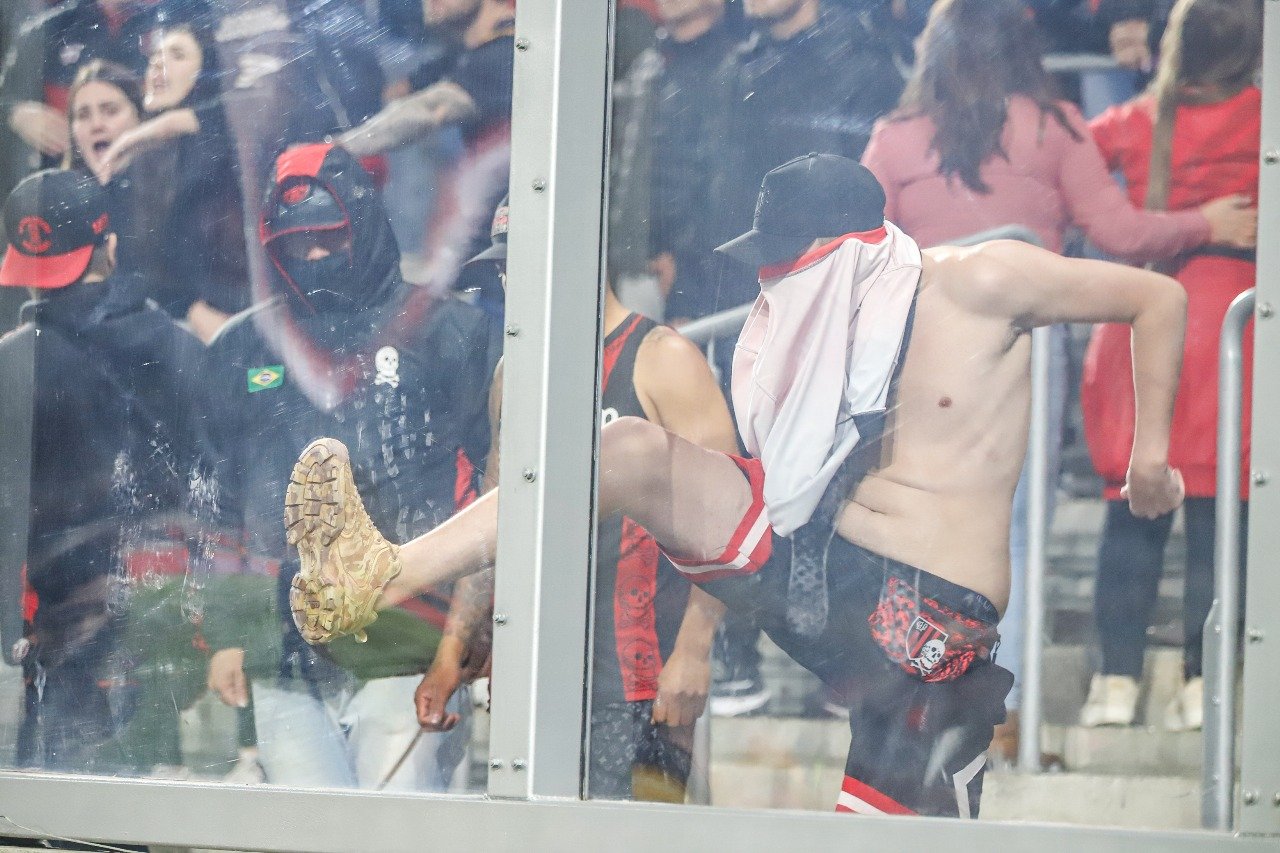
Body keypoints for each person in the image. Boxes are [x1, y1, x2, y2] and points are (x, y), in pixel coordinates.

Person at [283, 153, 1189, 817]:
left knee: (889, 833)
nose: (772, 271)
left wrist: (1148, 459)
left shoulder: (981, 279)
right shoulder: (812, 320)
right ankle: (382, 570)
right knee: (626, 447)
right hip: (824, 574)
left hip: (932, 620)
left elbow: (1160, 299)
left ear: (846, 243)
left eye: (788, 252)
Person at [859, 0, 1256, 760]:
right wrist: (1205, 223)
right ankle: (1001, 717)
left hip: (915, 360)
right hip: (1022, 358)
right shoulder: (1054, 128)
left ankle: (909, 701)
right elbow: (1120, 235)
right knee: (1012, 532)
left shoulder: (896, 135)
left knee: (905, 527)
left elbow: (860, 248)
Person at [413, 198, 739, 800]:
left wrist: (695, 652)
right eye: (503, 268)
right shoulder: (516, 373)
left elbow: (729, 520)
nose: (510, 281)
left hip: (643, 676)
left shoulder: (662, 358)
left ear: (576, 259)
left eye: (521, 264)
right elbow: (495, 520)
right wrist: (453, 647)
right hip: (540, 671)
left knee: (632, 837)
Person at [201, 142, 495, 792]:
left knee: (399, 834)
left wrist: (469, 635)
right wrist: (226, 633)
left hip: (414, 648)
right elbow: (220, 497)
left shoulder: (450, 331)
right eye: (297, 243)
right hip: (283, 654)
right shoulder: (245, 346)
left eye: (329, 236)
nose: (314, 257)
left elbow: (498, 492)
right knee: (301, 835)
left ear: (363, 222)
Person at [1078, 0, 1261, 732]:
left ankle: (1114, 684)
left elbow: (1073, 185)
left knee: (1131, 514)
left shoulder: (1131, 121)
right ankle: (1201, 687)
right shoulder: (1265, 119)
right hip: (1233, 329)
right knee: (1221, 520)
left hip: (1137, 324)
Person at [0, 168, 210, 774]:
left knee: (63, 807)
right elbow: (215, 489)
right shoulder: (180, 349)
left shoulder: (12, 364)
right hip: (170, 621)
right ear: (109, 246)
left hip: (59, 630)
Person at [339, 0, 515, 296]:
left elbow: (430, 109)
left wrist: (335, 150)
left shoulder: (510, 52)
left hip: (507, 265)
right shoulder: (462, 58)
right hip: (483, 263)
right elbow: (397, 95)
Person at [97, 6, 250, 339]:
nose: (158, 64)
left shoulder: (227, 143)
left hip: (238, 318)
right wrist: (189, 309)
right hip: (167, 326)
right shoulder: (134, 161)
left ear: (207, 72)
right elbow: (133, 268)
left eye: (177, 55)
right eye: (155, 55)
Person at [0, 0, 155, 183]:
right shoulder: (50, 29)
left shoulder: (164, 22)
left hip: (149, 180)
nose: (97, 124)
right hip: (62, 181)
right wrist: (17, 113)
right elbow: (5, 98)